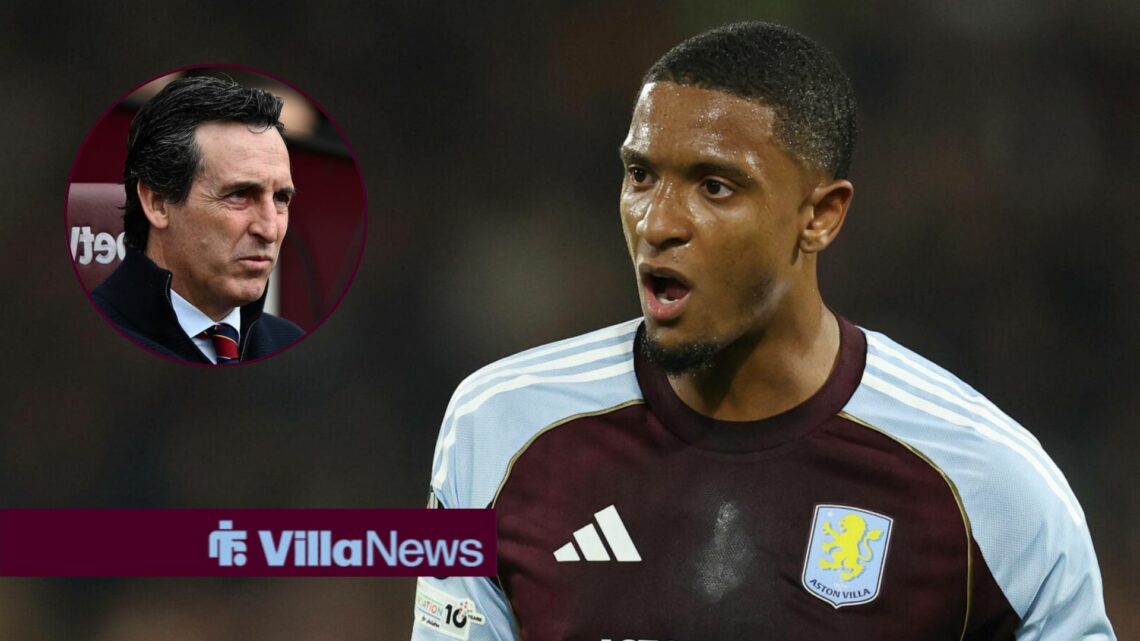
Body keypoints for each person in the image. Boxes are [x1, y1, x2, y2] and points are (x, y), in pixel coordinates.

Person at [412, 22, 1115, 641]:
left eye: (715, 185)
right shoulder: (497, 425)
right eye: (640, 175)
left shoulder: (989, 483)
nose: (658, 222)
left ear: (822, 216)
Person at [90, 75, 303, 365]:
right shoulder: (84, 350)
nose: (268, 230)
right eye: (239, 194)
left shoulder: (291, 345)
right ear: (158, 202)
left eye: (281, 199)